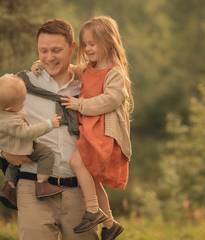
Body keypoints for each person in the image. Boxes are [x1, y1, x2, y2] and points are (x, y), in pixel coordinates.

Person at [0, 19, 100, 240]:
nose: (49, 57)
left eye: (56, 50)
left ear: (73, 48)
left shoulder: (87, 85)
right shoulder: (21, 84)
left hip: (79, 191)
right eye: (43, 51)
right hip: (33, 189)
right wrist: (4, 151)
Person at [58, 16, 132, 240]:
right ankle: (109, 223)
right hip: (90, 129)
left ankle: (92, 211)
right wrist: (42, 65)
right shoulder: (90, 68)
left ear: (108, 42)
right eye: (86, 44)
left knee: (76, 162)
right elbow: (70, 69)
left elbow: (110, 100)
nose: (88, 48)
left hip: (103, 133)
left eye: (93, 44)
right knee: (90, 174)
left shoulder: (114, 73)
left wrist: (79, 104)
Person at [0, 75, 64, 210]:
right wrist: (49, 124)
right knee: (46, 154)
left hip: (5, 143)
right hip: (18, 145)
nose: (24, 102)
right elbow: (28, 132)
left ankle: (8, 187)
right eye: (22, 101)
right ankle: (42, 185)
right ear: (8, 108)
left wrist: (12, 80)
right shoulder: (12, 122)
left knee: (14, 164)